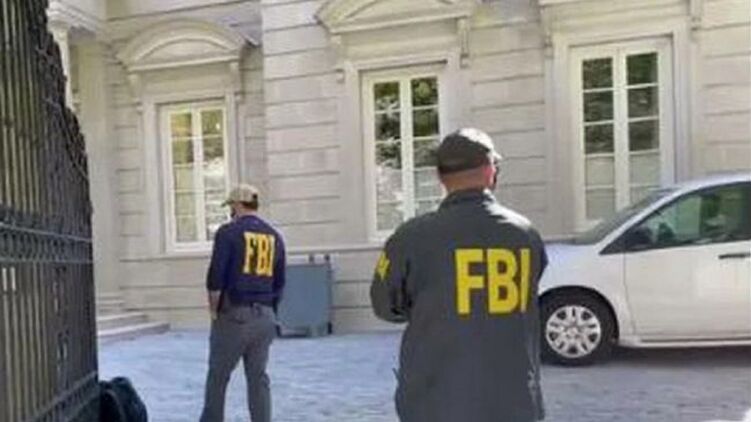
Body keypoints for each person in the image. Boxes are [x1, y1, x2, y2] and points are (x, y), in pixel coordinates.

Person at [370, 128, 548, 422]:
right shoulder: (525, 234)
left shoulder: (411, 237)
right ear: (491, 171)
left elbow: (384, 306)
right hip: (513, 400)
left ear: (440, 178)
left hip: (436, 400)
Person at [200, 184, 286, 422]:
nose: (231, 211)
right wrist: (271, 311)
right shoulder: (275, 237)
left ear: (237, 205)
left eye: (231, 206)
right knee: (258, 378)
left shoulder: (228, 232)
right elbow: (280, 282)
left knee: (218, 376)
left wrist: (214, 310)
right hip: (265, 315)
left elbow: (216, 277)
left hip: (235, 313)